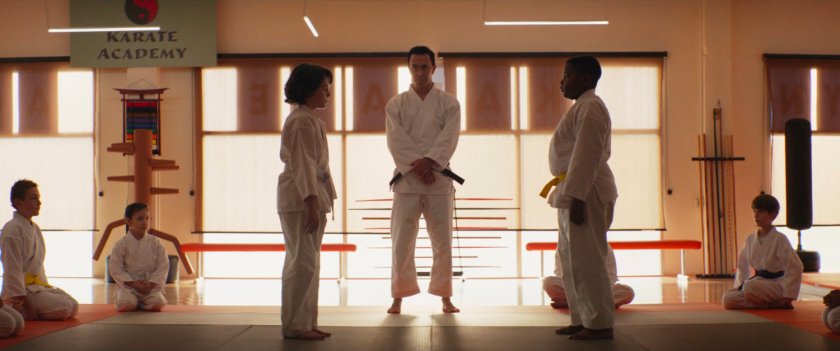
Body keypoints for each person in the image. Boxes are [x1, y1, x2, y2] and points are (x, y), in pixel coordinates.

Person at [544, 56, 618, 340]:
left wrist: (576, 196)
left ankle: (599, 324)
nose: (562, 81)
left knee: (588, 260)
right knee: (571, 260)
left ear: (586, 79)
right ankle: (583, 318)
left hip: (586, 191)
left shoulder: (591, 108)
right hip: (573, 190)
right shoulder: (582, 107)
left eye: (568, 75)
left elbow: (586, 156)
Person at [385, 45, 461, 314]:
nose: (420, 72)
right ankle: (398, 296)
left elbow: (449, 137)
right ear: (409, 67)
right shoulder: (396, 104)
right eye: (415, 66)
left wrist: (430, 162)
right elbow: (396, 140)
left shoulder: (449, 103)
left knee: (442, 240)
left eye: (424, 67)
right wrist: (418, 165)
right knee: (402, 240)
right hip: (407, 181)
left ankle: (445, 296)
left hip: (437, 179)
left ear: (434, 68)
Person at [277, 63, 336, 340]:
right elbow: (303, 164)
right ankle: (295, 325)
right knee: (301, 261)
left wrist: (318, 199)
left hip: (310, 197)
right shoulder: (301, 121)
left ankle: (307, 322)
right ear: (308, 89)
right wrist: (310, 201)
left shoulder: (310, 119)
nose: (328, 94)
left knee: (310, 262)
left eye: (328, 88)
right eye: (324, 88)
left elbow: (315, 165)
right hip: (301, 199)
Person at [1, 179, 78, 320]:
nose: (39, 203)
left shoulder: (34, 228)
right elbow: (12, 270)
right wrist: (26, 303)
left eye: (38, 198)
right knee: (64, 307)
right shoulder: (12, 230)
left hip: (36, 287)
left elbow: (38, 265)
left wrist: (44, 289)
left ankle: (34, 309)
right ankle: (17, 309)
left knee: (73, 305)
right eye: (33, 198)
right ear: (18, 203)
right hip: (19, 292)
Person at [722, 194, 803, 310]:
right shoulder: (750, 239)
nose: (756, 215)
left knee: (750, 287)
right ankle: (771, 305)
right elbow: (742, 265)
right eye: (754, 211)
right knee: (727, 298)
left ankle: (780, 301)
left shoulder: (780, 239)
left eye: (761, 211)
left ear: (773, 214)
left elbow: (796, 266)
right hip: (758, 284)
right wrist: (740, 287)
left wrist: (788, 296)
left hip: (777, 285)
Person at [108, 202, 169, 312]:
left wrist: (151, 283)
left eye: (147, 218)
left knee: (157, 304)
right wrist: (132, 283)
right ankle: (131, 301)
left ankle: (141, 303)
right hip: (129, 287)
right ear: (129, 221)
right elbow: (115, 268)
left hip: (149, 287)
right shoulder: (121, 244)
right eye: (140, 219)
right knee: (128, 304)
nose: (144, 222)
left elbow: (163, 265)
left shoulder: (155, 243)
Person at [543, 247, 634, 309]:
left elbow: (611, 276)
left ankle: (575, 305)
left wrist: (595, 288)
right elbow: (559, 273)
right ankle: (595, 305)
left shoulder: (604, 247)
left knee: (627, 292)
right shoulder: (563, 246)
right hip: (574, 289)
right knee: (548, 282)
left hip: (598, 290)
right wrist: (578, 285)